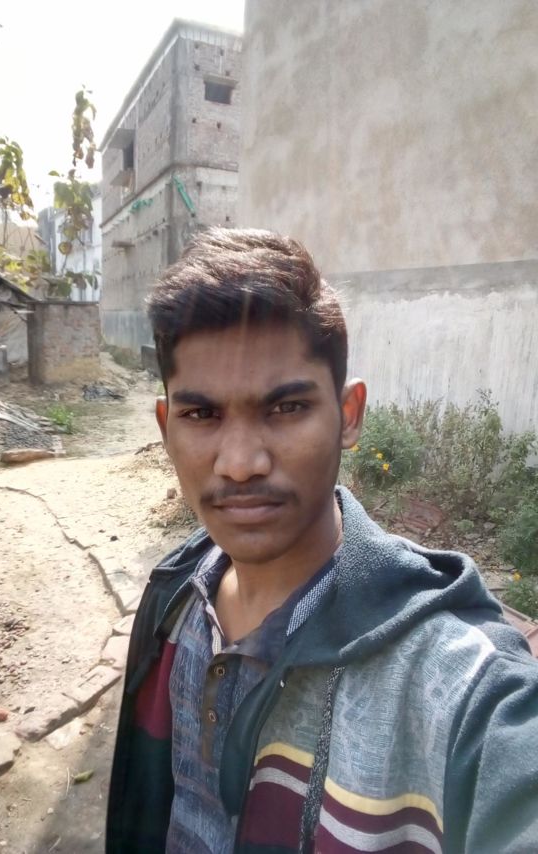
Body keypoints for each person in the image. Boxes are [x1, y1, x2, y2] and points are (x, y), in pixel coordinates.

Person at [106, 228, 538, 854]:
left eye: (285, 409)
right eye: (201, 415)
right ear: (165, 427)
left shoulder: (456, 680)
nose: (241, 463)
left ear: (349, 415)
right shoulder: (172, 600)